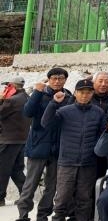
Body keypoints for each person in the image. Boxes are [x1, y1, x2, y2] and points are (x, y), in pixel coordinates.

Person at [42, 78, 107, 221]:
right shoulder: (64, 111)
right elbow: (46, 123)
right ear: (75, 93)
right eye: (81, 92)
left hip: (88, 164)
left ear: (92, 94)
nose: (84, 95)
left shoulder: (99, 112)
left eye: (88, 92)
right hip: (67, 163)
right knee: (62, 199)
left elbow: (102, 136)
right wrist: (53, 103)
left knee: (84, 200)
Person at [16, 67, 73, 221]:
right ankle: (23, 215)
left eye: (61, 78)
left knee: (52, 186)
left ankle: (43, 215)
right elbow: (27, 112)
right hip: (38, 146)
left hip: (58, 148)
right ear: (49, 80)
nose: (57, 81)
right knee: (30, 184)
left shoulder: (68, 96)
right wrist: (37, 92)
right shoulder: (40, 94)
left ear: (65, 80)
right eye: (54, 78)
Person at [0, 77, 30, 207]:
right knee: (16, 169)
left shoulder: (11, 100)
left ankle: (0, 198)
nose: (5, 89)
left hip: (8, 140)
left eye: (7, 86)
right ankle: (26, 195)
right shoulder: (26, 97)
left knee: (2, 169)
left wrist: (1, 100)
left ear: (13, 86)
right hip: (21, 139)